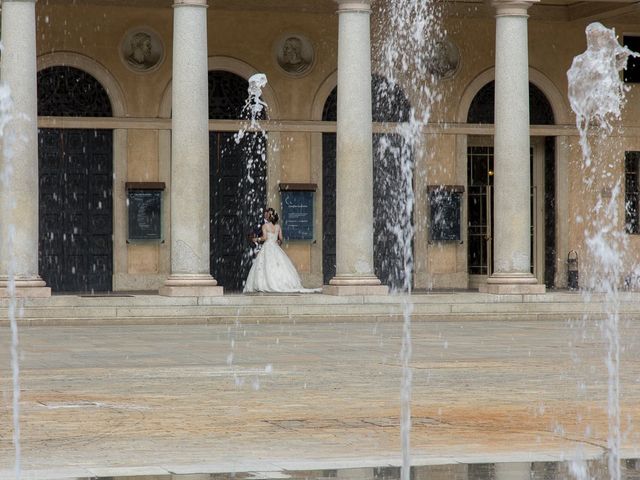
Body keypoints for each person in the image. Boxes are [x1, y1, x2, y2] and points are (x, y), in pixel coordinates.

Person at [244, 209, 319, 293]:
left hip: (267, 247)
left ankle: (265, 284)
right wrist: (277, 241)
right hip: (275, 247)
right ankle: (282, 283)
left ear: (268, 217)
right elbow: (281, 239)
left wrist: (256, 239)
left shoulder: (265, 226)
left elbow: (264, 238)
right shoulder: (278, 226)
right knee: (279, 265)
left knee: (266, 265)